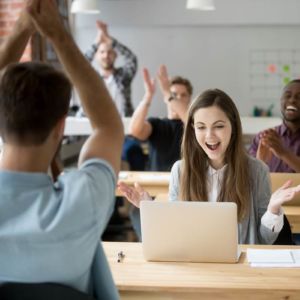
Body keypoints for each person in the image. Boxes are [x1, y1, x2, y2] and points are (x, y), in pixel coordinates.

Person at [0, 1, 123, 299]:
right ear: (60, 127)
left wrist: (20, 28)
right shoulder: (82, 202)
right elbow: (108, 127)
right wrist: (59, 36)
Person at [119, 89, 300, 244]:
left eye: (219, 126)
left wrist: (273, 209)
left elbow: (265, 239)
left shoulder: (257, 170)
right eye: (201, 127)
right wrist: (149, 208)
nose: (210, 135)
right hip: (196, 267)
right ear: (192, 130)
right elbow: (175, 232)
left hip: (241, 273)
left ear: (234, 127)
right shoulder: (180, 171)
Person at [129, 65, 193, 172]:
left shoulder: (195, 125)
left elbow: (192, 123)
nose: (178, 98)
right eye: (174, 94)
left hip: (185, 183)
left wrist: (168, 93)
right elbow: (135, 131)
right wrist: (148, 95)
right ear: (166, 99)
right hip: (156, 182)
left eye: (183, 95)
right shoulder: (156, 124)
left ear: (189, 99)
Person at [84, 20, 137, 117]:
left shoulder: (124, 76)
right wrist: (97, 42)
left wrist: (111, 41)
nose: (106, 55)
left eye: (110, 52)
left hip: (123, 125)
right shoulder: (90, 77)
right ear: (96, 55)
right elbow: (80, 65)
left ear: (115, 55)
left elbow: (131, 59)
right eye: (102, 52)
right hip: (96, 126)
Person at [249, 80, 300, 173]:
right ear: (281, 101)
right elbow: (248, 177)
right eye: (287, 96)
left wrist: (283, 152)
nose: (292, 100)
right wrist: (260, 160)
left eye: (299, 97)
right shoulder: (264, 137)